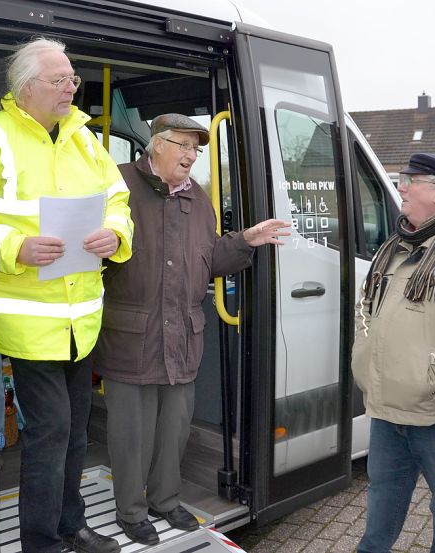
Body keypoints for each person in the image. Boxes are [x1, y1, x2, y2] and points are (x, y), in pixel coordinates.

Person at [91, 114, 289, 545]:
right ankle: (131, 510)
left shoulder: (199, 198)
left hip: (182, 336)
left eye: (196, 149)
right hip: (132, 336)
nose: (190, 155)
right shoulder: (117, 183)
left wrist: (245, 241)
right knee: (132, 434)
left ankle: (165, 498)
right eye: (182, 145)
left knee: (174, 429)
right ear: (156, 144)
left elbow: (210, 260)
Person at [0, 37, 134, 553]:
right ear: (26, 87)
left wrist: (116, 236)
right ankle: (41, 542)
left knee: (75, 435)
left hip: (81, 320)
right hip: (29, 325)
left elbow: (119, 201)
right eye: (60, 80)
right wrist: (15, 248)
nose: (71, 88)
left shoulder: (86, 140)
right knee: (51, 436)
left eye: (73, 79)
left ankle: (71, 527)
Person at [351, 153, 435, 553]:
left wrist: (432, 375)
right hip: (386, 408)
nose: (401, 187)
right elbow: (366, 307)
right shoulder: (394, 244)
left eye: (410, 180)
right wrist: (364, 356)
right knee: (382, 499)